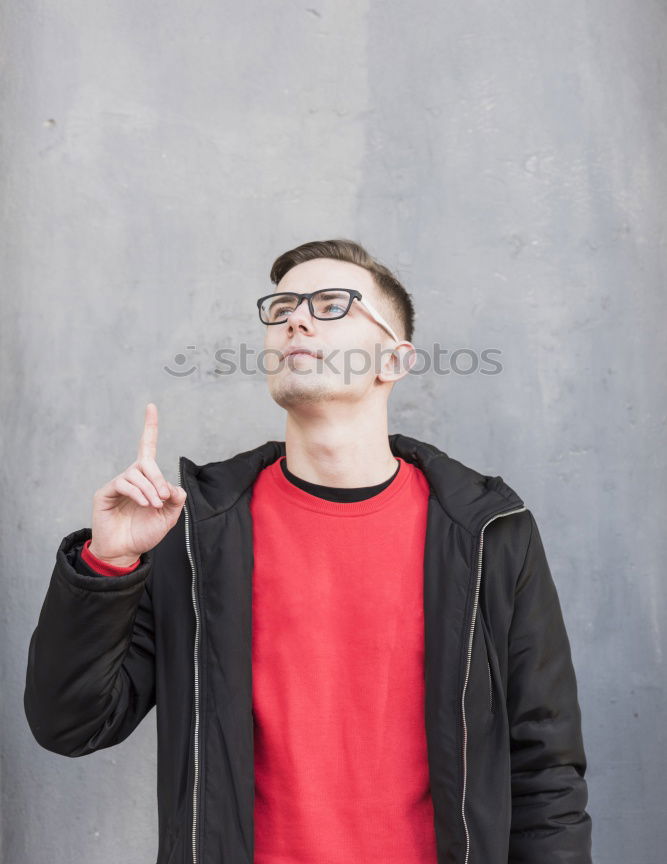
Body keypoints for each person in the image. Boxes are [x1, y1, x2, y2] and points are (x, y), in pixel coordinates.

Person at [24, 237, 593, 864]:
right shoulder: (193, 529)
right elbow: (72, 725)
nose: (296, 317)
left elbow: (546, 770)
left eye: (331, 304)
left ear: (394, 361)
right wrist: (110, 565)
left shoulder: (489, 532)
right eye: (284, 306)